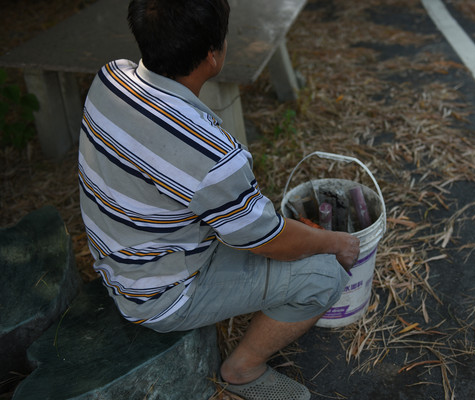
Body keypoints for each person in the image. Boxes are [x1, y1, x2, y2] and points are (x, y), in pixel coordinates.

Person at [77, 0, 360, 399]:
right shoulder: (211, 155)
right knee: (324, 275)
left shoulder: (110, 77)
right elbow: (268, 241)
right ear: (213, 55)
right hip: (159, 296)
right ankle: (242, 370)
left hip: (120, 260)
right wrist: (336, 244)